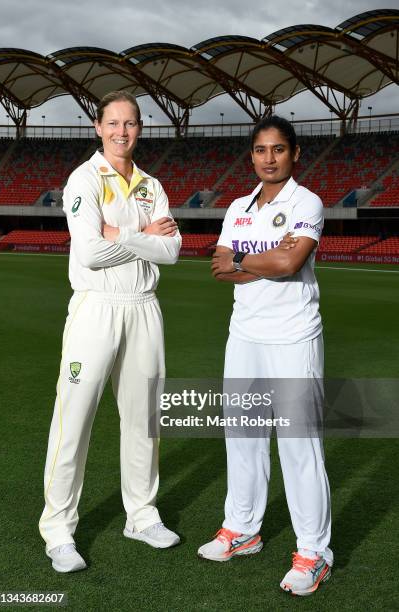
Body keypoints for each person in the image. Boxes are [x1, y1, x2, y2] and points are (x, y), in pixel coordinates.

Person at [39, 90, 181, 573]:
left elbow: (174, 251)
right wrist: (143, 238)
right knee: (74, 419)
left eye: (132, 123)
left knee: (144, 418)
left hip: (144, 308)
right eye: (114, 123)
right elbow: (91, 254)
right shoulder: (83, 178)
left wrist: (119, 234)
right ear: (98, 127)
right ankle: (58, 530)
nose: (123, 132)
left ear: (140, 129)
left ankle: (141, 516)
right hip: (96, 308)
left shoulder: (150, 184)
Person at [198, 116, 332, 597]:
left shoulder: (306, 201)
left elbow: (290, 262)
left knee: (299, 448)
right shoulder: (238, 206)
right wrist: (260, 260)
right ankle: (243, 530)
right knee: (243, 438)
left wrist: (246, 261)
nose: (268, 158)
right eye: (260, 150)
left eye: (278, 149)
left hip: (293, 337)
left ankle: (313, 553)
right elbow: (220, 266)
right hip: (245, 337)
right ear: (251, 155)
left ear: (294, 154)